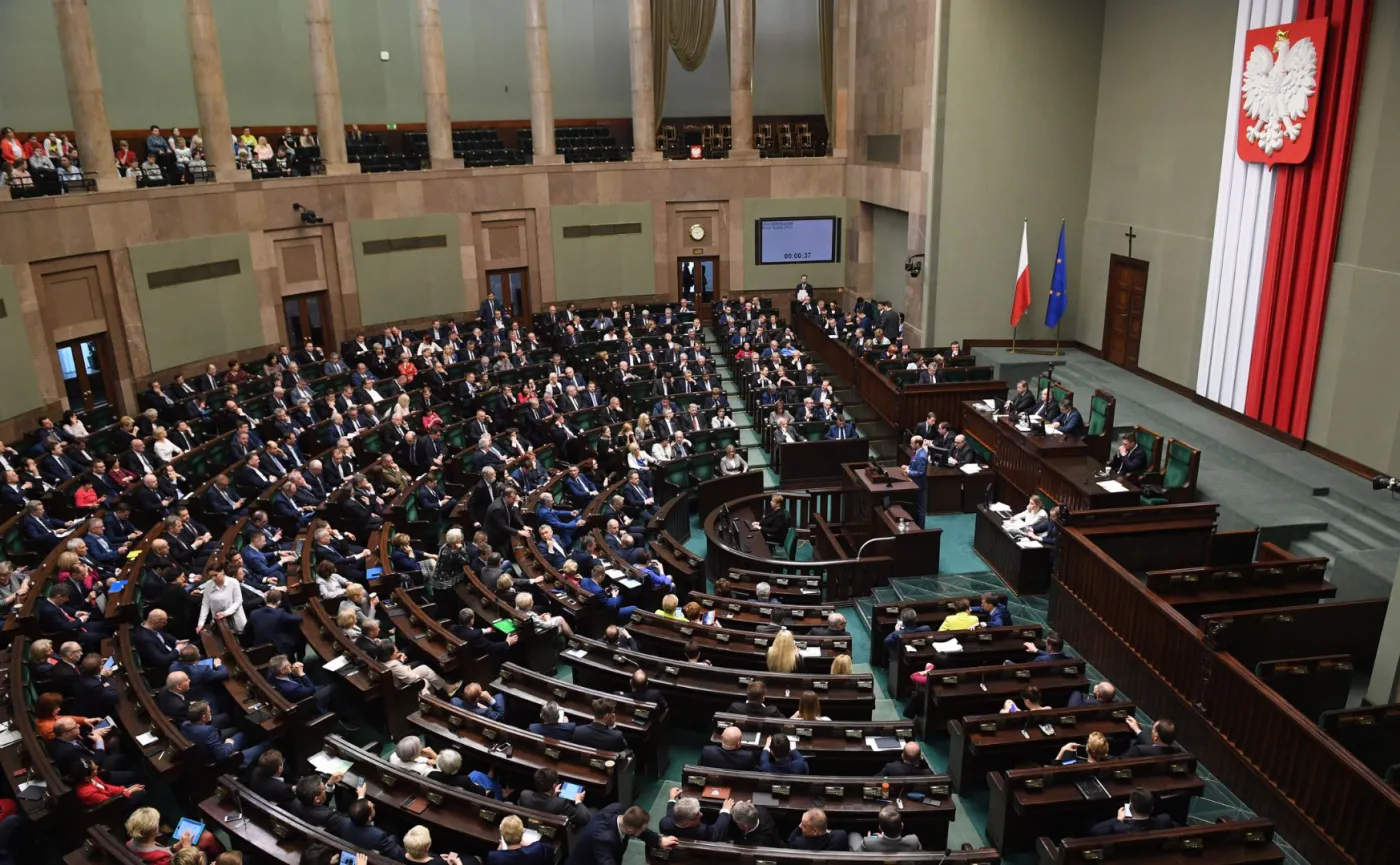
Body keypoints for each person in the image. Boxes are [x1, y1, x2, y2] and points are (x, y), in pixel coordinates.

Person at [565, 804, 677, 865]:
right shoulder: (605, 840)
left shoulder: (619, 810)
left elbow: (637, 826)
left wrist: (659, 840)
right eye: (643, 828)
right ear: (630, 831)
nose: (644, 830)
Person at [332, 800, 406, 861]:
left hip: (356, 844)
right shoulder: (378, 835)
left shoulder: (343, 821)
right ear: (369, 818)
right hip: (373, 853)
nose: (373, 804)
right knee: (395, 833)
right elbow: (395, 853)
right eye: (372, 807)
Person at [518, 767, 591, 828]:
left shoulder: (524, 795)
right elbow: (585, 819)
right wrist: (578, 801)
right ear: (554, 785)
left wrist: (553, 796)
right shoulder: (561, 803)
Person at [1089, 787, 1175, 835]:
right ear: (1152, 808)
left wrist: (1118, 820)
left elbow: (1094, 830)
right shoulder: (1165, 820)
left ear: (1130, 807)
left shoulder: (1119, 829)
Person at [660, 791, 732, 842]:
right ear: (685, 823)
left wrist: (672, 799)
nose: (701, 814)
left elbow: (670, 814)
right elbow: (718, 830)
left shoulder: (664, 823)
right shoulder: (702, 832)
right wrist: (726, 809)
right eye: (697, 815)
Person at [849, 805, 921, 852]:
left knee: (854, 835)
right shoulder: (914, 841)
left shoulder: (868, 843)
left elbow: (858, 852)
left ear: (880, 828)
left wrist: (871, 840)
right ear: (902, 826)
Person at [484, 815, 549, 865]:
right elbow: (549, 849)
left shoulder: (494, 856)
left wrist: (499, 852)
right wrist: (529, 844)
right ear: (522, 833)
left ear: (502, 835)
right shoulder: (537, 848)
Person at [1121, 717, 1185, 758]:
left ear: (1155, 737)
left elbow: (1118, 762)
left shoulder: (1139, 751)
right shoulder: (1178, 751)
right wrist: (1137, 730)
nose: (1152, 730)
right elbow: (1153, 746)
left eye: (1153, 729)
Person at [906, 436, 929, 528]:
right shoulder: (917, 453)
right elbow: (914, 466)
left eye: (912, 443)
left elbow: (920, 472)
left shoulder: (922, 456)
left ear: (917, 444)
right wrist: (908, 467)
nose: (910, 445)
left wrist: (908, 471)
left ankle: (920, 529)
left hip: (919, 485)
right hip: (914, 484)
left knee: (920, 509)